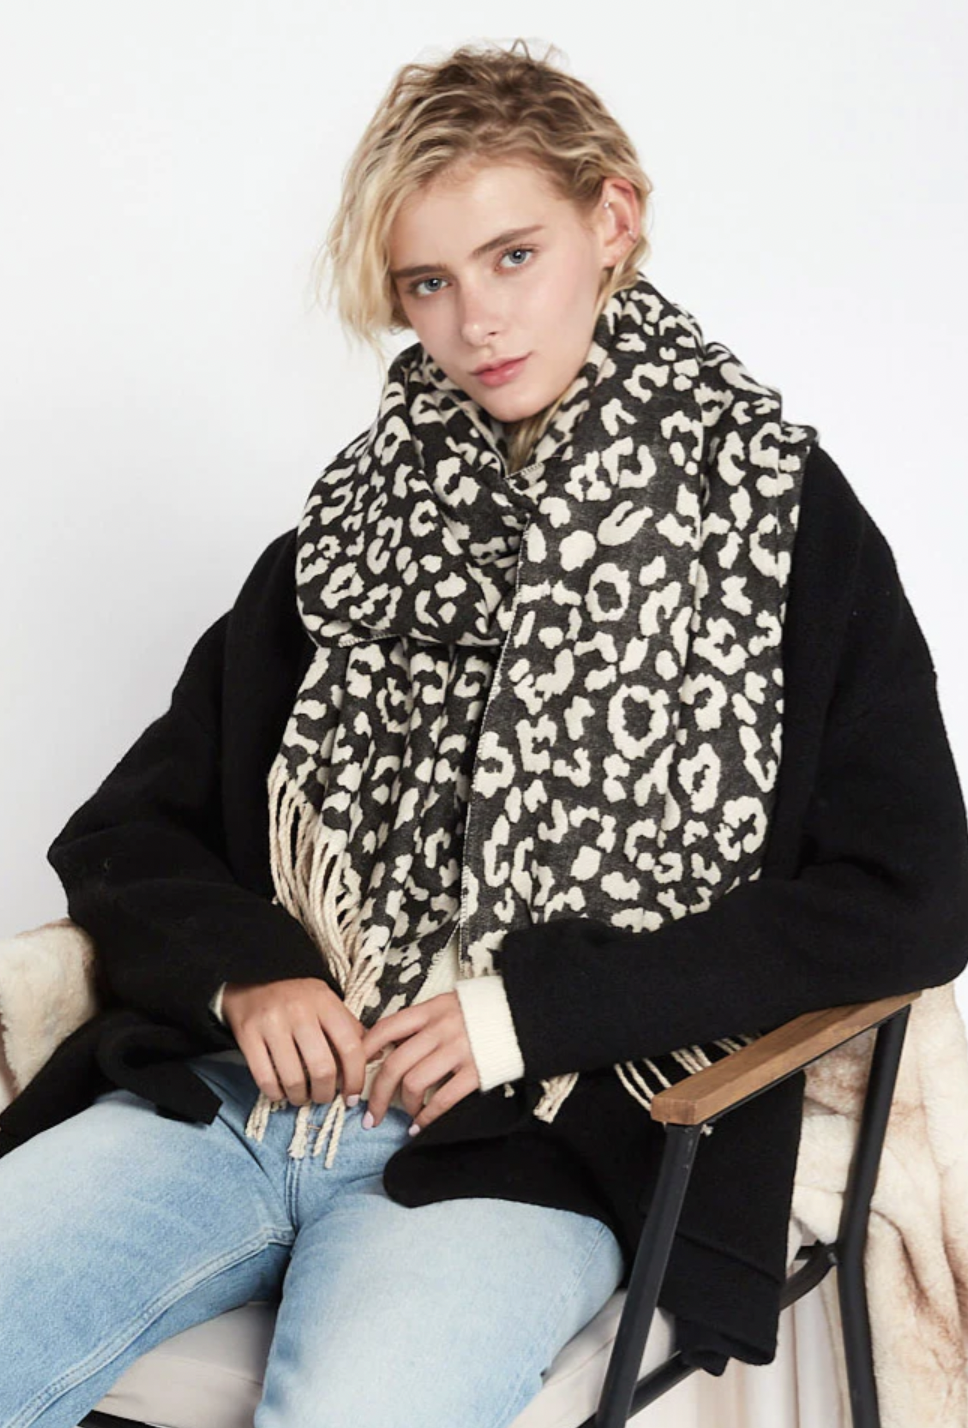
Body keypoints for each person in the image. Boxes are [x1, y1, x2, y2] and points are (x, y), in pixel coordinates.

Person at [2, 35, 967, 1428]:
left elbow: (908, 897)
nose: (476, 324)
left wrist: (530, 1015)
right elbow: (128, 829)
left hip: (545, 1149)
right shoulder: (350, 535)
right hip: (238, 1109)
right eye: (428, 283)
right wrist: (250, 973)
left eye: (514, 257)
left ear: (612, 219)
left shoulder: (778, 522)